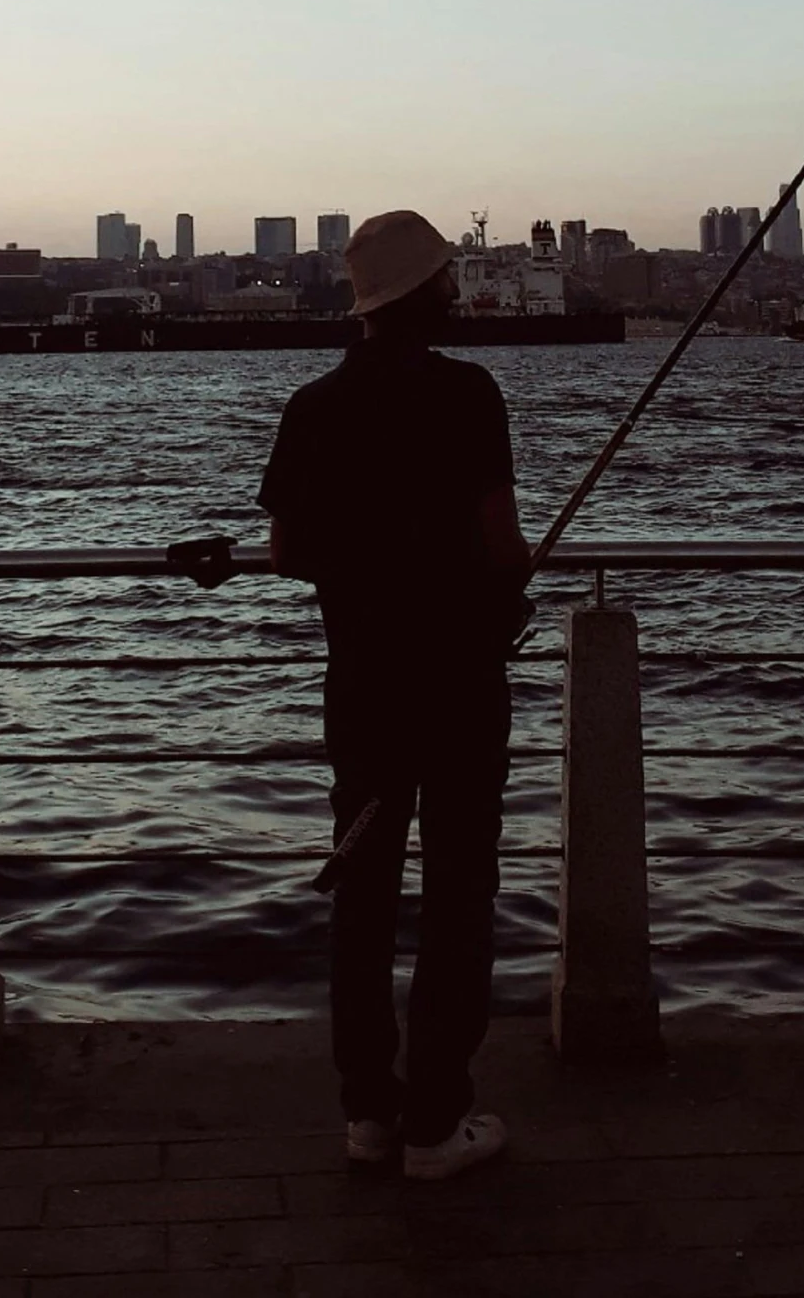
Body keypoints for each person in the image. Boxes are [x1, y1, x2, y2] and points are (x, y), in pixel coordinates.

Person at [258, 209, 534, 1181]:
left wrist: (366, 570)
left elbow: (287, 552)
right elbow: (501, 547)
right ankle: (435, 1124)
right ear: (433, 294)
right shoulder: (468, 393)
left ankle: (368, 1114)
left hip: (362, 687)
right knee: (459, 895)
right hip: (459, 685)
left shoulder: (314, 406)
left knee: (363, 896)